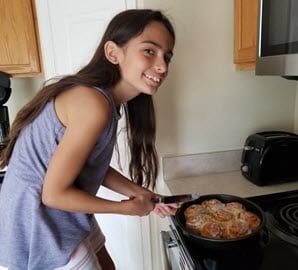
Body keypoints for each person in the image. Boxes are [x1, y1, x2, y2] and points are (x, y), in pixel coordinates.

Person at [0, 9, 178, 270]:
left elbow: (90, 165)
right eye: (149, 51)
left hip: (60, 213)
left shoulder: (104, 102)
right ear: (113, 52)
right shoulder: (93, 104)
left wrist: (143, 194)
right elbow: (53, 194)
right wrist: (125, 209)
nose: (162, 66)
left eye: (167, 56)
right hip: (38, 223)